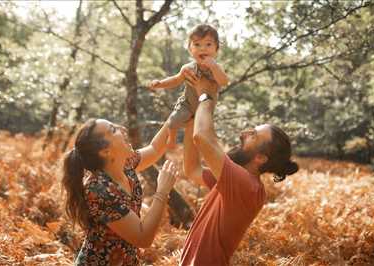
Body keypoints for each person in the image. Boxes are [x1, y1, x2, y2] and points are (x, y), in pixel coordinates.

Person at [179, 76, 299, 266]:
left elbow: (202, 137)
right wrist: (190, 123)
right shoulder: (234, 180)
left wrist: (205, 96)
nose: (243, 134)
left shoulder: (246, 185)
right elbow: (192, 169)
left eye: (253, 135)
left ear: (260, 158)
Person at [62, 118, 178, 265]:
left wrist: (175, 118)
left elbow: (155, 148)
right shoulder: (98, 190)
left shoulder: (124, 164)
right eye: (113, 130)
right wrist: (162, 191)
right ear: (106, 152)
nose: (122, 128)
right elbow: (143, 238)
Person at [149, 24, 229, 149]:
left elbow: (224, 82)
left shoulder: (217, 68)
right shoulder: (188, 68)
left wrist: (213, 67)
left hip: (205, 108)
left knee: (201, 134)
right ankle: (172, 139)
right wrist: (160, 84)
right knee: (173, 121)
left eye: (208, 44)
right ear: (190, 49)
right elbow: (176, 80)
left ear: (216, 49)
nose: (203, 49)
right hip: (187, 103)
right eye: (197, 44)